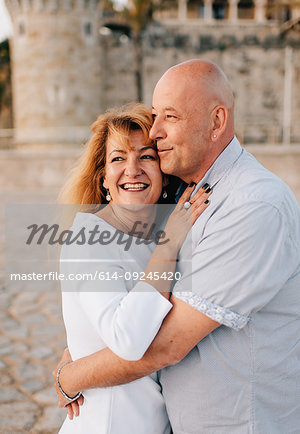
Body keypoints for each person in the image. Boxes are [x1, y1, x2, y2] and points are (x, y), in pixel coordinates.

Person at [54, 60, 300, 433]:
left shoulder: (250, 205)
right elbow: (120, 323)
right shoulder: (177, 213)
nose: (156, 132)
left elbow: (166, 343)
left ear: (216, 122)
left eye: (170, 117)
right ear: (103, 177)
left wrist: (70, 377)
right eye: (155, 117)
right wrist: (79, 349)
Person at [56, 103, 211, 433]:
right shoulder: (89, 238)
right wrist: (171, 242)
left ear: (163, 171)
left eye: (146, 156)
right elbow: (127, 339)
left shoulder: (155, 234)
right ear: (103, 178)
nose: (133, 169)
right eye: (118, 158)